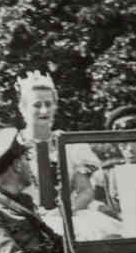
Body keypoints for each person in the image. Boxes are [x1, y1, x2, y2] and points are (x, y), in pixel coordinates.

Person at [14, 70, 99, 211]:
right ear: (23, 108)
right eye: (37, 105)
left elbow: (85, 191)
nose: (43, 111)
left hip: (69, 218)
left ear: (55, 106)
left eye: (48, 104)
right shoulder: (14, 145)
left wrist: (67, 213)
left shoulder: (70, 145)